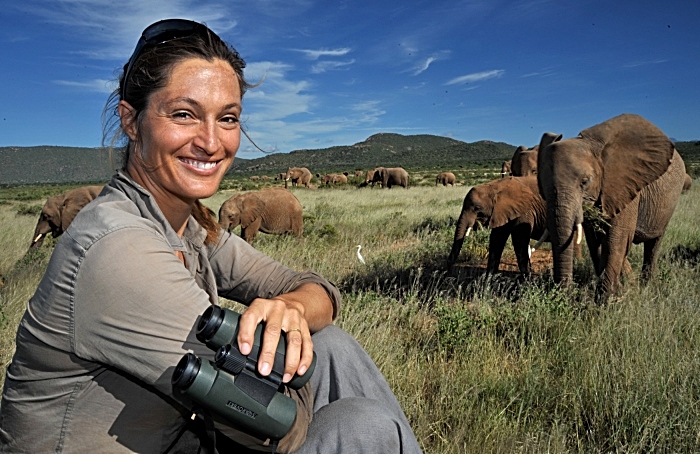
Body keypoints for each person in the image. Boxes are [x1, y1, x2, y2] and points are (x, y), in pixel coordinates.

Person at [0, 19, 422, 454]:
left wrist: (291, 309)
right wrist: (290, 350)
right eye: (183, 114)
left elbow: (320, 290)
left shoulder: (193, 228)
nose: (210, 141)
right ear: (131, 121)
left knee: (329, 343)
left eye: (227, 119)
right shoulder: (116, 248)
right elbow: (272, 421)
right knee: (363, 426)